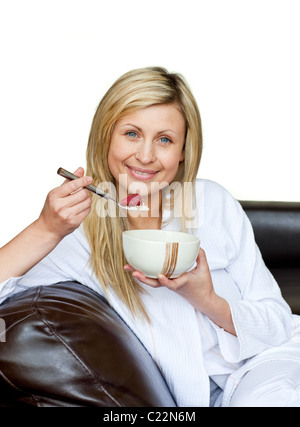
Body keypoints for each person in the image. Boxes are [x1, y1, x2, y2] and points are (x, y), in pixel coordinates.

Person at [0, 67, 300, 407]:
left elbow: (277, 324)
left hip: (269, 365)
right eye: (131, 134)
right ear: (106, 136)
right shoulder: (85, 230)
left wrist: (207, 300)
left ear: (184, 150)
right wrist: (47, 228)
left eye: (165, 140)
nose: (145, 156)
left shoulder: (211, 202)